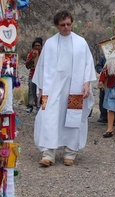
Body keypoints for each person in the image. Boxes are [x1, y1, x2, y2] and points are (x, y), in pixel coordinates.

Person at [32, 10, 96, 167]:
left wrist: (87, 84)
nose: (66, 27)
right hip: (52, 89)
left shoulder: (81, 42)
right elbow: (42, 67)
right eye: (62, 25)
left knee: (73, 119)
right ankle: (48, 153)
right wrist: (41, 89)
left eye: (68, 24)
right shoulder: (50, 43)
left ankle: (70, 152)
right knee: (49, 117)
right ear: (56, 26)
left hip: (74, 89)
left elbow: (88, 64)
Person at [24, 37, 43, 113]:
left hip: (41, 76)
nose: (37, 47)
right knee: (32, 91)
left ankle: (39, 106)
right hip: (33, 75)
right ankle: (31, 105)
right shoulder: (31, 54)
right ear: (33, 47)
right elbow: (27, 66)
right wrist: (32, 57)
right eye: (36, 46)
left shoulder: (44, 54)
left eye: (39, 46)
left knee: (39, 91)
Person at [95, 50, 108, 123]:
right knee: (102, 97)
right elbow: (98, 66)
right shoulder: (104, 57)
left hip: (114, 81)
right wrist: (101, 71)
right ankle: (103, 116)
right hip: (104, 81)